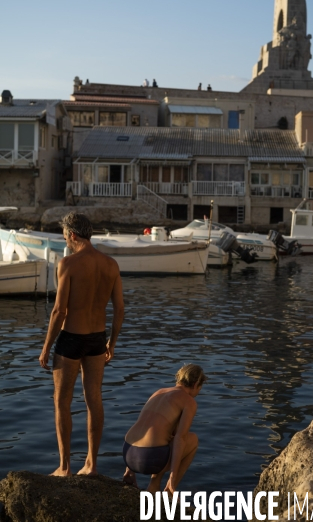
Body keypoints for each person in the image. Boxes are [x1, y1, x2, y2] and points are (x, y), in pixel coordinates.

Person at [39, 212, 124, 477]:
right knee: (94, 400)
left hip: (71, 339)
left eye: (64, 234)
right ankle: (91, 465)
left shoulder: (68, 264)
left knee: (62, 403)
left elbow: (58, 312)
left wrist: (45, 348)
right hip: (97, 339)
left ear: (72, 235)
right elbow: (119, 309)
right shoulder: (111, 265)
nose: (64, 238)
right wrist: (112, 341)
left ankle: (64, 467)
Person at [122, 364, 206, 495]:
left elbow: (142, 427)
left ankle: (131, 474)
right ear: (195, 385)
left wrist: (129, 469)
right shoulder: (189, 401)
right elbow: (180, 439)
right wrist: (172, 477)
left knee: (162, 436)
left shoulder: (159, 392)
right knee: (192, 440)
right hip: (148, 459)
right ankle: (165, 490)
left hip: (128, 454)